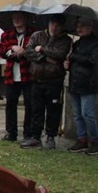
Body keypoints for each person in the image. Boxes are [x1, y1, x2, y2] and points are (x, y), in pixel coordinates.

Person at [21, 13, 72, 149]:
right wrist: (43, 58)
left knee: (53, 110)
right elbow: (28, 51)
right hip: (37, 78)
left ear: (62, 27)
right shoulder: (38, 35)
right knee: (36, 109)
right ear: (48, 23)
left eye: (58, 26)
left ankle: (51, 136)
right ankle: (35, 136)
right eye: (52, 24)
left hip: (54, 80)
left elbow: (60, 54)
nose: (54, 28)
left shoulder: (66, 40)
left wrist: (42, 49)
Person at [66, 18, 98, 155]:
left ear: (90, 27)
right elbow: (74, 63)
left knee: (87, 114)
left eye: (82, 26)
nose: (79, 29)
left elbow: (92, 61)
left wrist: (74, 57)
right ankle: (82, 139)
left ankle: (96, 141)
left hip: (89, 83)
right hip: (75, 82)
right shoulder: (77, 43)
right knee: (77, 114)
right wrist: (68, 65)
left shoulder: (97, 43)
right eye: (78, 26)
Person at [0, 11, 36, 142]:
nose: (16, 20)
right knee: (10, 104)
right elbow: (1, 50)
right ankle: (11, 132)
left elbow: (34, 51)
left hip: (28, 75)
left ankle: (28, 133)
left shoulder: (32, 34)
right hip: (11, 75)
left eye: (19, 18)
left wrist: (24, 52)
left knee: (29, 104)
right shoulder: (7, 34)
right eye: (14, 18)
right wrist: (12, 49)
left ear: (25, 19)